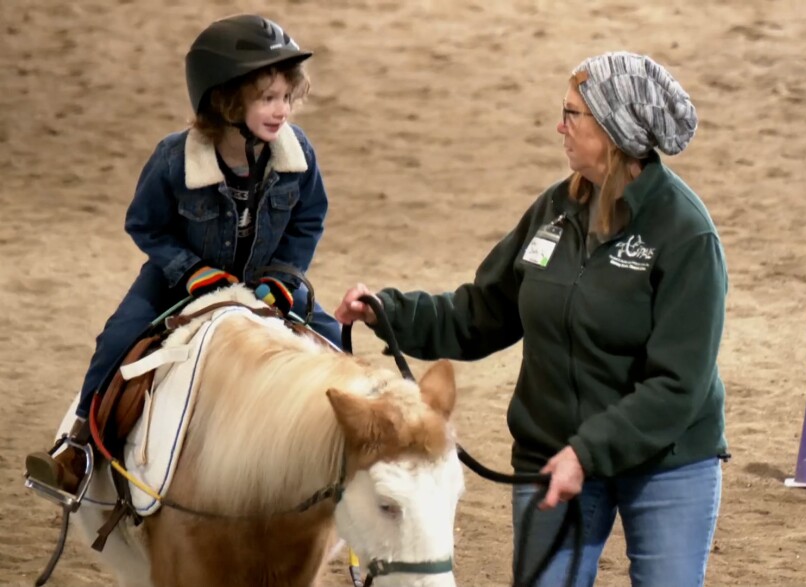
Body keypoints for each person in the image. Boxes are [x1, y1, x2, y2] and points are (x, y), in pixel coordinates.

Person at [335, 52, 728, 587]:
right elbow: (483, 312)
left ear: (614, 131)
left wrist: (587, 453)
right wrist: (391, 314)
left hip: (666, 460)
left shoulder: (686, 235)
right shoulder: (554, 212)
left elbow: (678, 385)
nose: (559, 126)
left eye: (573, 115)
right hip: (552, 453)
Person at [25, 14, 342, 496]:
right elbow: (145, 223)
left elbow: (308, 219)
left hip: (265, 282)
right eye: (266, 98)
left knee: (335, 339)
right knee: (118, 337)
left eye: (285, 98)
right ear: (224, 99)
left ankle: (346, 454)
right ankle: (80, 447)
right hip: (178, 281)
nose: (281, 111)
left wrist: (283, 275)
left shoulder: (298, 156)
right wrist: (189, 270)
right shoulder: (174, 158)